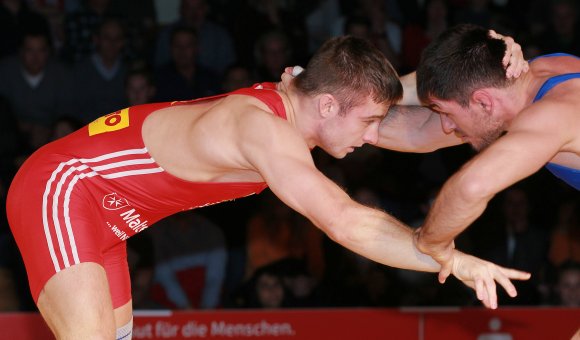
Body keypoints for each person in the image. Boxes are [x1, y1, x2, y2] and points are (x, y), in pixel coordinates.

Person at [6, 36, 529, 339]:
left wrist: (495, 89)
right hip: (64, 187)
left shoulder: (302, 97)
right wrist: (446, 256)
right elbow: (345, 221)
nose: (374, 137)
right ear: (328, 106)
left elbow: (423, 121)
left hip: (109, 216)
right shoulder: (265, 130)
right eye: (370, 121)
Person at [398, 23, 580, 287]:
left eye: (446, 114)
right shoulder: (536, 71)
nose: (446, 125)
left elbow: (471, 187)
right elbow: (418, 130)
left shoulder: (552, 113)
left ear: (484, 102)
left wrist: (428, 243)